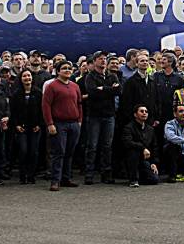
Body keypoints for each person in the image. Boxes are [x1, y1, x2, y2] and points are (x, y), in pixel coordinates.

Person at [42, 60, 83, 191]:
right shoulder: (52, 86)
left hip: (74, 123)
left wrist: (80, 120)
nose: (67, 70)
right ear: (58, 71)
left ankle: (66, 178)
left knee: (70, 152)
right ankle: (55, 180)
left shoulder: (75, 86)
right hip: (59, 123)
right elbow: (46, 106)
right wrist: (50, 123)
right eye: (64, 68)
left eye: (69, 68)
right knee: (59, 152)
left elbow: (79, 104)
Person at [83, 51, 121, 185]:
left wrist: (103, 89)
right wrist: (109, 89)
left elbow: (118, 91)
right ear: (94, 62)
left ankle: (106, 174)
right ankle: (89, 174)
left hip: (109, 115)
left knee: (107, 146)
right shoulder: (90, 77)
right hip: (94, 115)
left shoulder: (112, 76)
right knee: (92, 146)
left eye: (105, 59)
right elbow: (92, 92)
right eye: (100, 59)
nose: (103, 61)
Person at [10, 69, 43, 185]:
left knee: (34, 151)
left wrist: (39, 124)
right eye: (24, 76)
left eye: (29, 76)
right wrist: (16, 125)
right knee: (23, 150)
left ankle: (31, 175)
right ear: (20, 78)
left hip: (35, 127)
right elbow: (12, 112)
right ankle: (22, 175)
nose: (27, 78)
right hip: (21, 128)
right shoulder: (15, 94)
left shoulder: (38, 93)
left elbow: (42, 110)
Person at [119, 105, 159, 187]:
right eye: (141, 111)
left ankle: (139, 176)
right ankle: (133, 180)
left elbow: (154, 146)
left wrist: (153, 162)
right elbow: (127, 142)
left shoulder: (150, 129)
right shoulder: (129, 127)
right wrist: (143, 148)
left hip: (144, 159)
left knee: (154, 179)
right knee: (133, 150)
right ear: (135, 114)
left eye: (146, 111)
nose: (144, 113)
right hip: (131, 159)